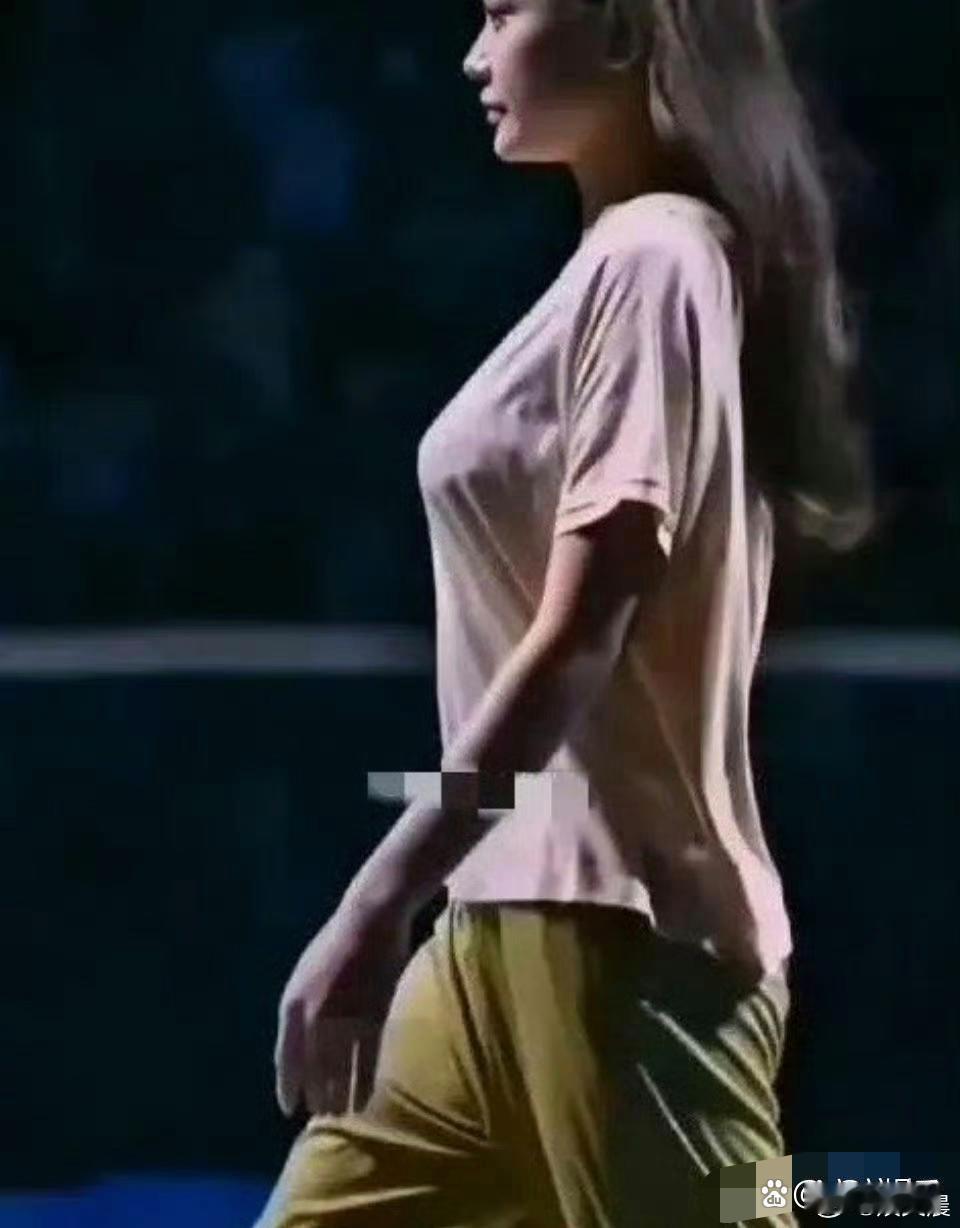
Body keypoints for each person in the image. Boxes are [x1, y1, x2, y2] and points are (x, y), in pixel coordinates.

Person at [252, 1, 877, 1224]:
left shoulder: (660, 260)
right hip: (489, 938)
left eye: (503, 14)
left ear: (626, 34)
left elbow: (583, 633)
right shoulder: (613, 267)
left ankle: (897, 1201)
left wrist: (375, 900)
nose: (473, 55)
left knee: (766, 1206)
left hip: (623, 947)